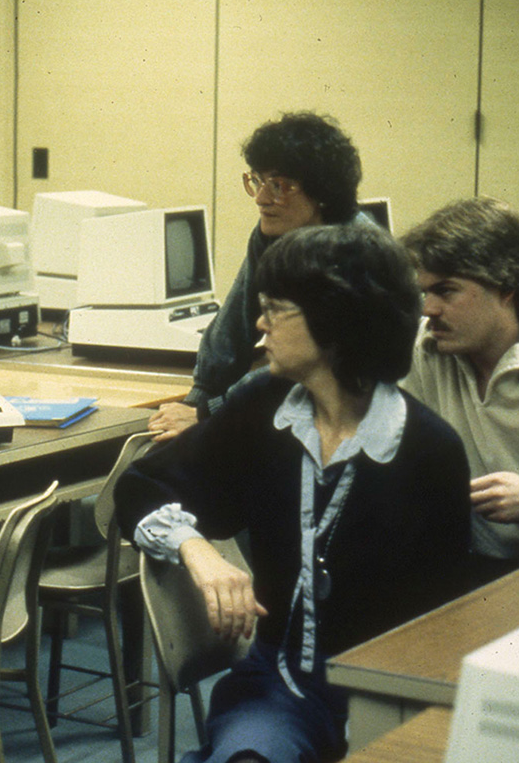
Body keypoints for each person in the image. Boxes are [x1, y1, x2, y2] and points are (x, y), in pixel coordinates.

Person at [116, 224, 470, 763]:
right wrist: (200, 551)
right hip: (277, 686)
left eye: (276, 309)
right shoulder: (263, 405)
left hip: (386, 694)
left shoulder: (430, 452)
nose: (259, 325)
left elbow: (442, 631)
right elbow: (141, 484)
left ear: (336, 321)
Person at [149, 111, 377, 441]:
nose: (260, 198)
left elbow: (299, 364)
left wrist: (207, 413)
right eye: (256, 181)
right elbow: (235, 324)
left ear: (322, 191)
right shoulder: (271, 235)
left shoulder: (353, 254)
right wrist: (197, 399)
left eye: (278, 186)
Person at [400, 196, 519, 587]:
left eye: (446, 291)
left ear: (506, 287)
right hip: (468, 567)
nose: (428, 309)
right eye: (424, 292)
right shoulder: (427, 349)